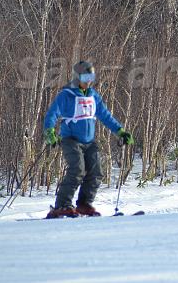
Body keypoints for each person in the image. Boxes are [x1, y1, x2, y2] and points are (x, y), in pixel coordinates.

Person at [43, 61, 134, 218]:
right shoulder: (67, 95)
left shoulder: (93, 96)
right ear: (77, 77)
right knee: (77, 169)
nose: (89, 81)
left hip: (89, 141)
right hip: (71, 140)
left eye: (91, 77)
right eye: (86, 77)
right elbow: (52, 114)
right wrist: (50, 133)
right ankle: (62, 205)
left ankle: (84, 204)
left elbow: (105, 116)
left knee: (96, 170)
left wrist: (120, 131)